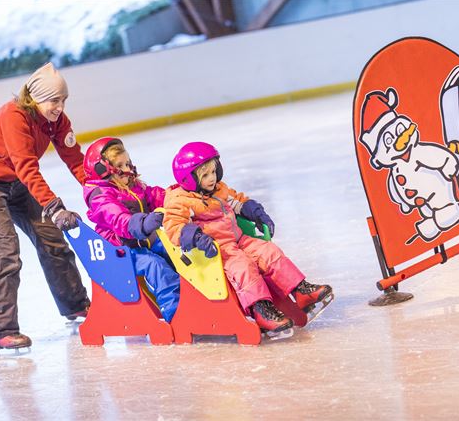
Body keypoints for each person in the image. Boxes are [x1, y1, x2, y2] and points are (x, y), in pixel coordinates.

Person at [0, 62, 90, 351]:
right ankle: (0, 330)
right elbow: (28, 167)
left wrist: (97, 192)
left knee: (51, 238)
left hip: (16, 182)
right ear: (36, 99)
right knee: (6, 252)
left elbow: (75, 159)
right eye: (54, 100)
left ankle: (76, 304)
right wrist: (55, 208)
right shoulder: (13, 116)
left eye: (63, 100)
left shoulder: (57, 121)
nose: (60, 106)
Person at [163, 142, 333, 339]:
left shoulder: (220, 190)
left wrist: (257, 213)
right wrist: (197, 237)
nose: (213, 178)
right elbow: (174, 227)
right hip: (217, 250)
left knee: (269, 251)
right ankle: (262, 310)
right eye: (205, 175)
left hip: (239, 239)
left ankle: (301, 291)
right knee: (243, 267)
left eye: (214, 171)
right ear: (190, 179)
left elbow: (238, 202)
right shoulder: (180, 200)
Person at [82, 137, 180, 322]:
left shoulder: (133, 185)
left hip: (142, 242)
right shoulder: (100, 195)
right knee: (156, 266)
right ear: (104, 171)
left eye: (128, 163)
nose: (127, 169)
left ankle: (192, 302)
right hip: (120, 252)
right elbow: (119, 219)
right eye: (121, 165)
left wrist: (178, 197)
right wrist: (143, 223)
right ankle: (174, 315)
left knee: (176, 252)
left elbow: (155, 196)